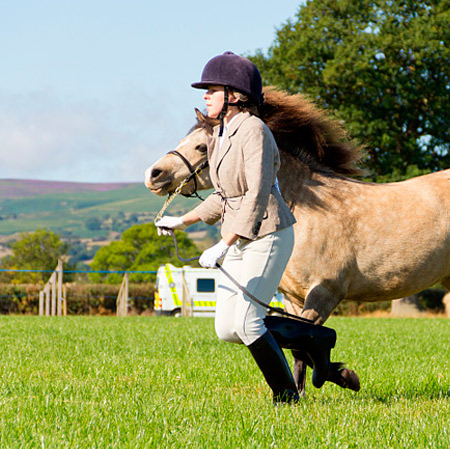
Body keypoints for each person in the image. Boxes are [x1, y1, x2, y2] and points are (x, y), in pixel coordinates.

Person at [155, 51, 337, 404]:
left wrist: (224, 243)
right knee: (227, 328)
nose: (205, 95)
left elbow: (255, 194)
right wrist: (183, 220)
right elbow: (225, 195)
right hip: (240, 236)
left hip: (267, 234)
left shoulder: (255, 131)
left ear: (235, 96)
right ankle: (313, 339)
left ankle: (286, 397)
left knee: (249, 322)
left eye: (213, 89)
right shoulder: (222, 134)